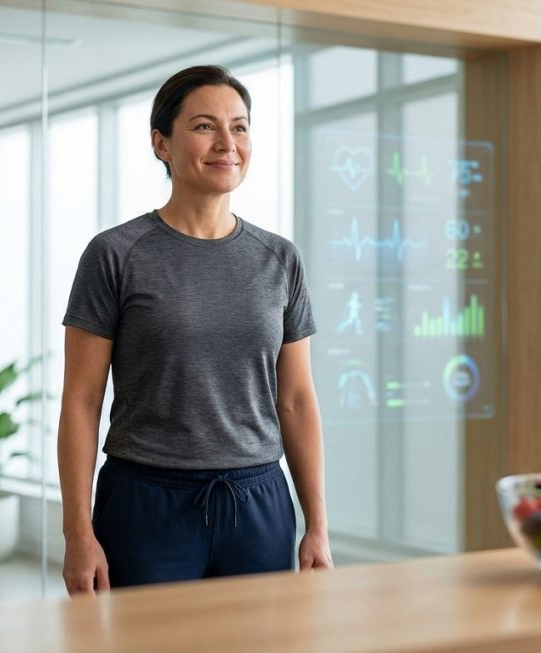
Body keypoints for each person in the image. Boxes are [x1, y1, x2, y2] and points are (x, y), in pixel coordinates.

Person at [57, 65, 333, 595]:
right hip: (145, 503)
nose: (227, 143)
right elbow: (81, 401)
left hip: (258, 502)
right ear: (161, 143)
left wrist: (317, 525)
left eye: (240, 127)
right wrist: (77, 532)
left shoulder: (279, 259)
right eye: (205, 126)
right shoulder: (115, 254)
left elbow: (297, 400)